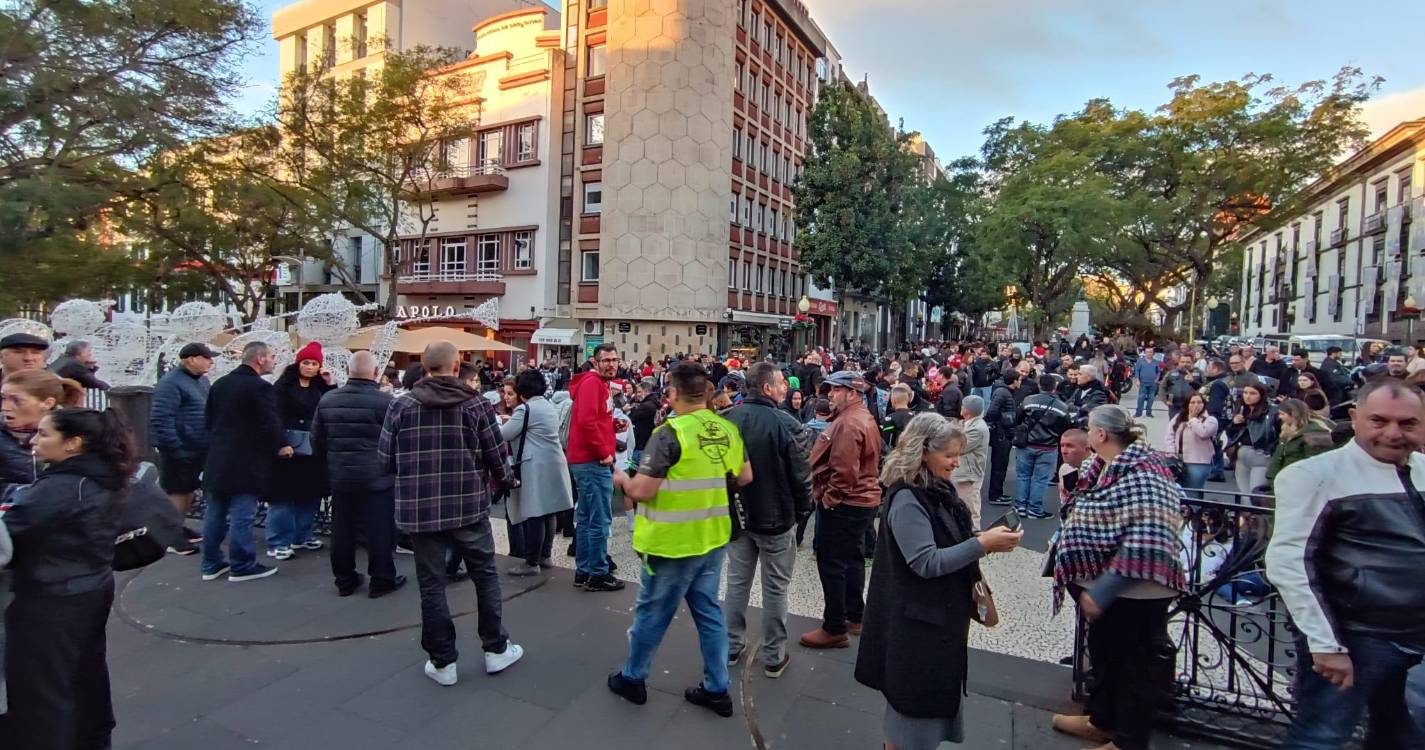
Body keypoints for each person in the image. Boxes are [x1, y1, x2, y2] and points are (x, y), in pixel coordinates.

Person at [1266, 379, 1425, 749]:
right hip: (1355, 637)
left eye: (1407, 424)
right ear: (1354, 418)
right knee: (1321, 737)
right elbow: (1289, 562)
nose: (1393, 433)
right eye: (1379, 420)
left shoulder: (1421, 469)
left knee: (1402, 735)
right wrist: (1326, 644)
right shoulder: (1314, 475)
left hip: (1412, 635)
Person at [855, 413, 1023, 750]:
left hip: (931, 619)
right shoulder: (907, 499)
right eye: (949, 455)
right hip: (916, 625)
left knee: (916, 711)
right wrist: (982, 544)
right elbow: (925, 562)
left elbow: (943, 538)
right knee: (914, 712)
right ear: (923, 452)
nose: (955, 462)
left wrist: (982, 537)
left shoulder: (933, 488)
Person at [606, 361, 752, 717]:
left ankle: (633, 677)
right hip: (713, 538)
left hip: (671, 543)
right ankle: (718, 687)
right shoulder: (726, 429)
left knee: (652, 613)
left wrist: (620, 479)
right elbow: (745, 476)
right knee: (708, 612)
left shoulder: (669, 434)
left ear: (672, 393)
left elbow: (642, 489)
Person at [379, 341, 523, 686]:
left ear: (424, 367)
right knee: (485, 576)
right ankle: (495, 648)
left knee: (431, 584)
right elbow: (496, 456)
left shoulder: (401, 406)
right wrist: (507, 481)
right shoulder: (475, 405)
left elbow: (385, 460)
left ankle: (443, 662)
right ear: (457, 367)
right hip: (468, 505)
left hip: (420, 508)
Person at [1051, 406, 1187, 750]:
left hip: (1137, 587)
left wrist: (1105, 588)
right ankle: (1103, 719)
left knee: (1133, 666)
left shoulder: (1145, 472)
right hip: (1104, 582)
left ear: (1101, 435)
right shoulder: (1103, 467)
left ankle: (1129, 740)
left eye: (1090, 427)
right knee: (1106, 653)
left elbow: (1150, 535)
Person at [1, 408, 135, 750]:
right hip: (90, 583)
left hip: (50, 596)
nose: (34, 440)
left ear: (73, 443)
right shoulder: (104, 475)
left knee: (41, 691)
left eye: (44, 434)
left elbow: (9, 536)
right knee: (84, 675)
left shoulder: (59, 487)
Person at [720, 363, 812, 677]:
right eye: (781, 383)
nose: (786, 387)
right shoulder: (786, 423)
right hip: (776, 517)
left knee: (736, 583)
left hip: (739, 515)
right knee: (775, 588)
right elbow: (801, 476)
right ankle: (773, 655)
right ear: (767, 388)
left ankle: (731, 646)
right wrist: (802, 511)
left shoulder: (728, 419)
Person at [310, 351, 403, 598]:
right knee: (379, 529)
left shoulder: (328, 400)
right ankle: (382, 579)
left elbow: (316, 439)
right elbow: (397, 440)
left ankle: (344, 579)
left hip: (341, 474)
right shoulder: (386, 403)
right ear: (375, 373)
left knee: (342, 529)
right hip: (377, 476)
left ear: (349, 372)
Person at [801, 370, 882, 649]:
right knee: (852, 557)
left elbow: (844, 471)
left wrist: (829, 499)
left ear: (852, 393)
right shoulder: (861, 416)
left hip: (846, 502)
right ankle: (854, 615)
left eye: (836, 390)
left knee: (832, 562)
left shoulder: (848, 423)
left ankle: (834, 626)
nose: (830, 395)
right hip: (860, 501)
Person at [200, 341, 283, 583]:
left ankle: (211, 563)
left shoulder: (220, 384)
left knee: (215, 512)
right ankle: (242, 564)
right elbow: (269, 423)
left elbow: (209, 420)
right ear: (259, 359)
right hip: (246, 460)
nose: (274, 360)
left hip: (218, 457)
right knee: (242, 514)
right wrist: (280, 444)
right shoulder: (260, 388)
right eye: (272, 356)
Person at [499, 369, 574, 576]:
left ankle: (531, 562)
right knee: (548, 511)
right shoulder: (548, 405)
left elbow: (504, 434)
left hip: (536, 465)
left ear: (522, 390)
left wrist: (503, 421)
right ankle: (545, 555)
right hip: (554, 462)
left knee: (534, 513)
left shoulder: (527, 410)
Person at [266, 341, 335, 560]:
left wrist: (329, 384)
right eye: (306, 362)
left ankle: (302, 535)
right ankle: (278, 540)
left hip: (313, 447)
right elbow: (272, 417)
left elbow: (329, 408)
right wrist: (280, 442)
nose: (310, 367)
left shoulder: (319, 388)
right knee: (283, 497)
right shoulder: (282, 387)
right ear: (298, 364)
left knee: (309, 495)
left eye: (314, 363)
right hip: (288, 447)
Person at [566, 343, 623, 592]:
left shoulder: (599, 384)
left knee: (588, 519)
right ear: (595, 361)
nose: (611, 364)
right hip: (592, 460)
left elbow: (594, 420)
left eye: (614, 359)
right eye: (606, 360)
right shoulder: (592, 383)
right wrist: (604, 453)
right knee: (599, 519)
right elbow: (587, 422)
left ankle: (585, 570)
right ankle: (598, 573)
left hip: (585, 459)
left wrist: (613, 426)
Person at [149, 342, 214, 551]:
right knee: (177, 491)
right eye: (207, 357)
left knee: (188, 490)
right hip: (179, 447)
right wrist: (174, 447)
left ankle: (179, 527)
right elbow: (161, 418)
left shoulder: (201, 381)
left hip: (196, 446)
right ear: (192, 359)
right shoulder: (171, 383)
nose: (211, 362)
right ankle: (171, 537)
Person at [2, 370, 83, 494]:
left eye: (16, 400)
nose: (5, 407)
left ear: (47, 403)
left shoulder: (76, 436)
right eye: (3, 398)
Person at [1013, 374, 1073, 520]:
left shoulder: (1028, 401)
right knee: (1040, 479)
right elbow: (1066, 427)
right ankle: (1034, 509)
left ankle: (1020, 506)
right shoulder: (1062, 406)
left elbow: (1018, 418)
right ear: (1054, 387)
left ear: (1040, 385)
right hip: (1048, 447)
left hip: (1026, 444)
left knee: (1023, 476)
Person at [1265, 398, 1334, 486]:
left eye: (1282, 414)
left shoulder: (1315, 433)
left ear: (1294, 415)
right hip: (1283, 481)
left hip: (1300, 484)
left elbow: (1315, 464)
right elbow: (1278, 457)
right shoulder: (1286, 430)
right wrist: (1271, 478)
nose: (1280, 417)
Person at [1225, 382, 1278, 497]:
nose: (1248, 396)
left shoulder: (1271, 411)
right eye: (1245, 393)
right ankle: (1246, 515)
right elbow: (1231, 434)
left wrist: (1270, 451)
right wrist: (1234, 424)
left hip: (1261, 454)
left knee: (1256, 494)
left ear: (1261, 395)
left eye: (1253, 393)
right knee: (1244, 495)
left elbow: (1276, 434)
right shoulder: (1242, 409)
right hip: (1242, 453)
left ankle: (1254, 515)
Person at [950, 395, 989, 530]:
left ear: (969, 410)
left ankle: (974, 536)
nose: (961, 408)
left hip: (969, 476)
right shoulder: (969, 423)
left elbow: (959, 447)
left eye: (963, 406)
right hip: (963, 474)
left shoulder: (977, 428)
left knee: (970, 509)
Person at [1167, 393, 1218, 497]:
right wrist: (1171, 451)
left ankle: (1194, 510)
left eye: (1199, 402)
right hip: (1178, 459)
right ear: (1187, 404)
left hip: (1198, 462)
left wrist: (1193, 419)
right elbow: (1170, 435)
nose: (1196, 405)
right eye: (1193, 402)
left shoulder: (1211, 420)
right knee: (1178, 490)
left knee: (1192, 491)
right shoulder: (1179, 417)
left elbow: (1203, 433)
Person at [983, 369, 1021, 507]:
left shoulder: (1003, 392)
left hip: (1003, 433)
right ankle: (995, 494)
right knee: (999, 466)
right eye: (1019, 379)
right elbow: (992, 411)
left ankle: (997, 493)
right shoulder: (1003, 393)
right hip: (1001, 434)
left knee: (1001, 466)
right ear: (1014, 380)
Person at [880, 383, 915, 448]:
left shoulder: (889, 419)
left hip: (896, 455)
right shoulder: (916, 417)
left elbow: (886, 443)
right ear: (907, 400)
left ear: (893, 400)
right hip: (914, 454)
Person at [1131, 346, 1162, 417]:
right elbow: (1137, 371)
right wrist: (1137, 380)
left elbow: (1158, 372)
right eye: (1147, 352)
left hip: (1153, 383)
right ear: (1145, 353)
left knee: (1151, 398)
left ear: (1153, 353)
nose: (1149, 353)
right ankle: (1138, 413)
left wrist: (1156, 379)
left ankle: (1149, 412)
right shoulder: (1140, 361)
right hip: (1143, 383)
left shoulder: (1156, 362)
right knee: (1141, 397)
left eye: (1151, 352)